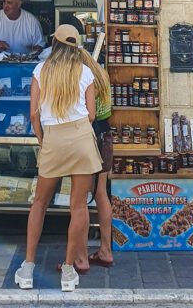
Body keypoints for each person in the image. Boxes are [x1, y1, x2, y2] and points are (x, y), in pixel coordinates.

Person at [15, 24, 102, 294]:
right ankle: (68, 270)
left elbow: (33, 115)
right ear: (75, 46)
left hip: (53, 137)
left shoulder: (41, 70)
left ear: (54, 43)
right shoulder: (86, 72)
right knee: (78, 207)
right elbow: (91, 114)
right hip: (80, 137)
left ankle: (28, 266)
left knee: (39, 202)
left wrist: (44, 141)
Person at [85, 53, 114, 269]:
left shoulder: (84, 78)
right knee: (101, 193)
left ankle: (77, 255)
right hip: (106, 135)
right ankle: (106, 249)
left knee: (80, 197)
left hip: (88, 137)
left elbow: (89, 115)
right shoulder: (102, 75)